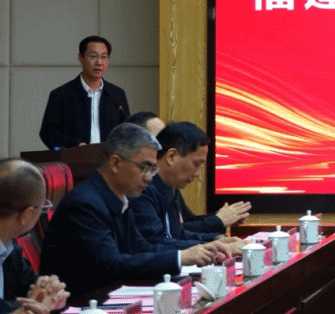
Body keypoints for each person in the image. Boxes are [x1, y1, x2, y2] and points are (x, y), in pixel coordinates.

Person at [40, 124, 224, 297]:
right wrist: (180, 257)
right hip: (81, 302)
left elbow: (141, 248)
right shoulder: (85, 203)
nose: (149, 177)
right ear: (115, 163)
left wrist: (199, 250)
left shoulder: (119, 197)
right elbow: (111, 264)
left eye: (153, 169)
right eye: (145, 167)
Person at [131, 122, 244, 255]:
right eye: (196, 164)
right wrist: (212, 247)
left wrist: (216, 239)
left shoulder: (170, 188)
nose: (198, 174)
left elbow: (178, 234)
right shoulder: (142, 189)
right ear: (171, 156)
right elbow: (155, 243)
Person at [0, 159, 69, 314]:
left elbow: (33, 288)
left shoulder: (9, 250)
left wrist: (52, 293)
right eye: (43, 207)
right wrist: (32, 307)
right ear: (26, 215)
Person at [39, 36, 129, 151]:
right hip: (75, 158)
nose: (99, 62)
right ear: (80, 58)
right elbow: (49, 133)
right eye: (93, 56)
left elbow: (127, 131)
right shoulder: (61, 95)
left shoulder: (116, 94)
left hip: (110, 159)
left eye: (103, 57)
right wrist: (76, 145)